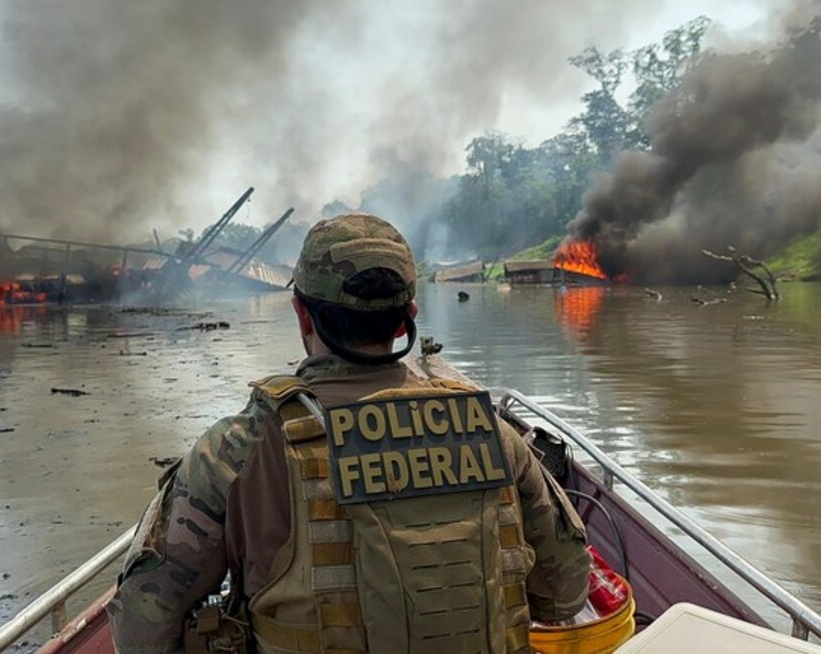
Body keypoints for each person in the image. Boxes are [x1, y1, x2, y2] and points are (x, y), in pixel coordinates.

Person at [109, 213, 590, 653]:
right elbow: (566, 592)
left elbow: (140, 630)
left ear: (301, 314)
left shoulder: (238, 449)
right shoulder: (491, 431)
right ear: (410, 316)